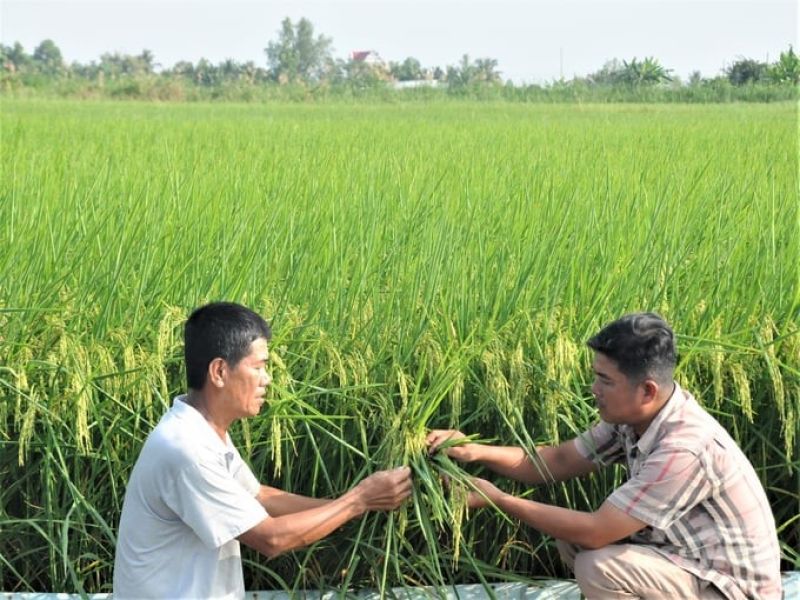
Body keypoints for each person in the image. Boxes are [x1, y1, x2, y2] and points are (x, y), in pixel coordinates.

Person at [427, 312, 781, 600]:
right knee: (570, 538)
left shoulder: (684, 447)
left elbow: (598, 531)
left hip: (731, 589)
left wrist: (499, 500)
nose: (594, 391)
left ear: (647, 390)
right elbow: (559, 461)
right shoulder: (634, 419)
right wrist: (473, 450)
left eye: (605, 381)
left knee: (597, 566)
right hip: (684, 560)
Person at [114, 302, 412, 599]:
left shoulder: (202, 431)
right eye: (258, 367)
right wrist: (357, 500)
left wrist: (358, 504)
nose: (267, 379)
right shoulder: (187, 450)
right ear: (219, 371)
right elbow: (271, 538)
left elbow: (260, 497)